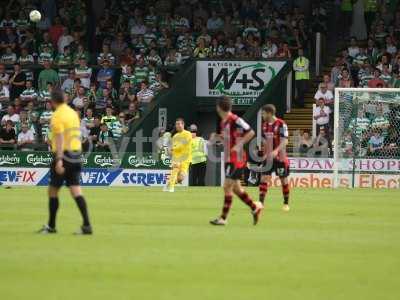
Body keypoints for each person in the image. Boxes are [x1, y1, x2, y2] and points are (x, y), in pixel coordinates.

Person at [37, 89, 92, 235]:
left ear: (52, 102)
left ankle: (51, 226)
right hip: (76, 153)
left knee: (53, 190)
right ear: (65, 100)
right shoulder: (72, 113)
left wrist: (59, 159)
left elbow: (60, 138)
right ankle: (87, 225)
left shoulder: (57, 116)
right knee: (75, 189)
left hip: (64, 154)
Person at [210, 97, 263, 226]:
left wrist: (239, 145)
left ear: (218, 107)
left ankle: (223, 218)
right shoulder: (224, 122)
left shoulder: (235, 119)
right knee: (237, 189)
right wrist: (217, 137)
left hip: (237, 158)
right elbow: (228, 140)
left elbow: (251, 132)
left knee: (227, 186)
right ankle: (254, 207)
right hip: (229, 157)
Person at [258, 104, 291, 212]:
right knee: (263, 178)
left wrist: (276, 151)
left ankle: (286, 203)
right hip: (268, 158)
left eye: (263, 113)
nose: (262, 115)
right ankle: (261, 203)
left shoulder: (281, 124)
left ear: (269, 113)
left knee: (283, 180)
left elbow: (285, 140)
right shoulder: (264, 125)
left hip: (280, 158)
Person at [164, 118, 192, 193]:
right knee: (175, 169)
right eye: (176, 124)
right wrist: (170, 151)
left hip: (186, 158)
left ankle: (169, 183)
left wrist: (173, 148)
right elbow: (173, 146)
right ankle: (171, 188)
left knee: (181, 178)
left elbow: (183, 144)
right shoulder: (175, 136)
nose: (178, 125)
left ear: (183, 125)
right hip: (177, 157)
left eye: (179, 124)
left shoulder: (188, 134)